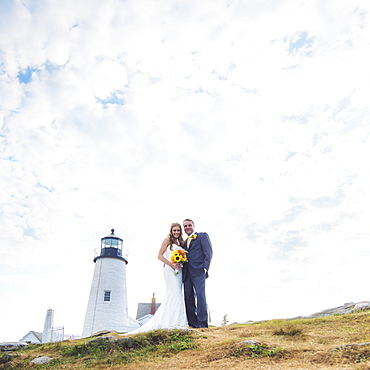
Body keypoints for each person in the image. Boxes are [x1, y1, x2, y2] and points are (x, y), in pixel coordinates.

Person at [126, 223, 188, 334]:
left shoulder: (181, 243)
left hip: (179, 271)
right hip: (170, 270)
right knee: (174, 292)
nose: (176, 232)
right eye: (174, 230)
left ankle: (177, 319)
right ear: (171, 231)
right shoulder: (167, 241)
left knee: (178, 293)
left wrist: (180, 262)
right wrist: (171, 264)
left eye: (178, 230)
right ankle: (172, 321)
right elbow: (159, 255)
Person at [182, 219, 212, 328]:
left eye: (189, 225)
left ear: (193, 226)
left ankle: (202, 323)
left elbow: (208, 252)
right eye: (185, 226)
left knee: (200, 296)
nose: (187, 227)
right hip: (186, 272)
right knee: (188, 297)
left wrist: (205, 268)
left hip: (199, 271)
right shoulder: (184, 242)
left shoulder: (202, 236)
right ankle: (193, 323)